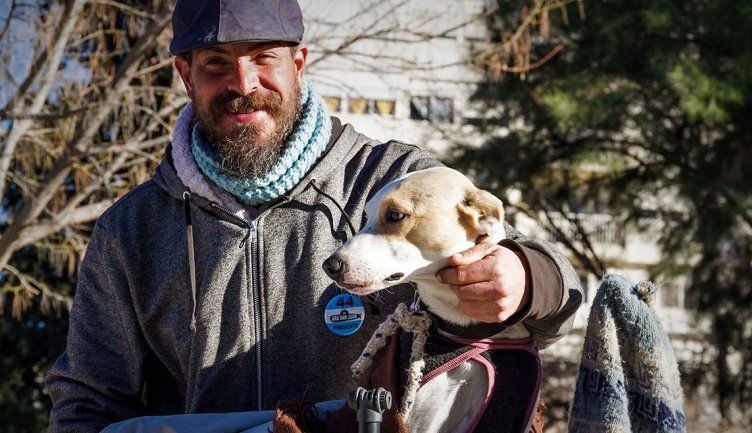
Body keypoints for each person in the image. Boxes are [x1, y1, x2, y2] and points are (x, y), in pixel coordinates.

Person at [44, 1, 583, 432]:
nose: (243, 84)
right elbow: (87, 402)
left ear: (297, 63)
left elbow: (556, 289)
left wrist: (524, 275)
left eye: (263, 58)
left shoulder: (392, 178)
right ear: (185, 74)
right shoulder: (130, 229)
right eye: (215, 64)